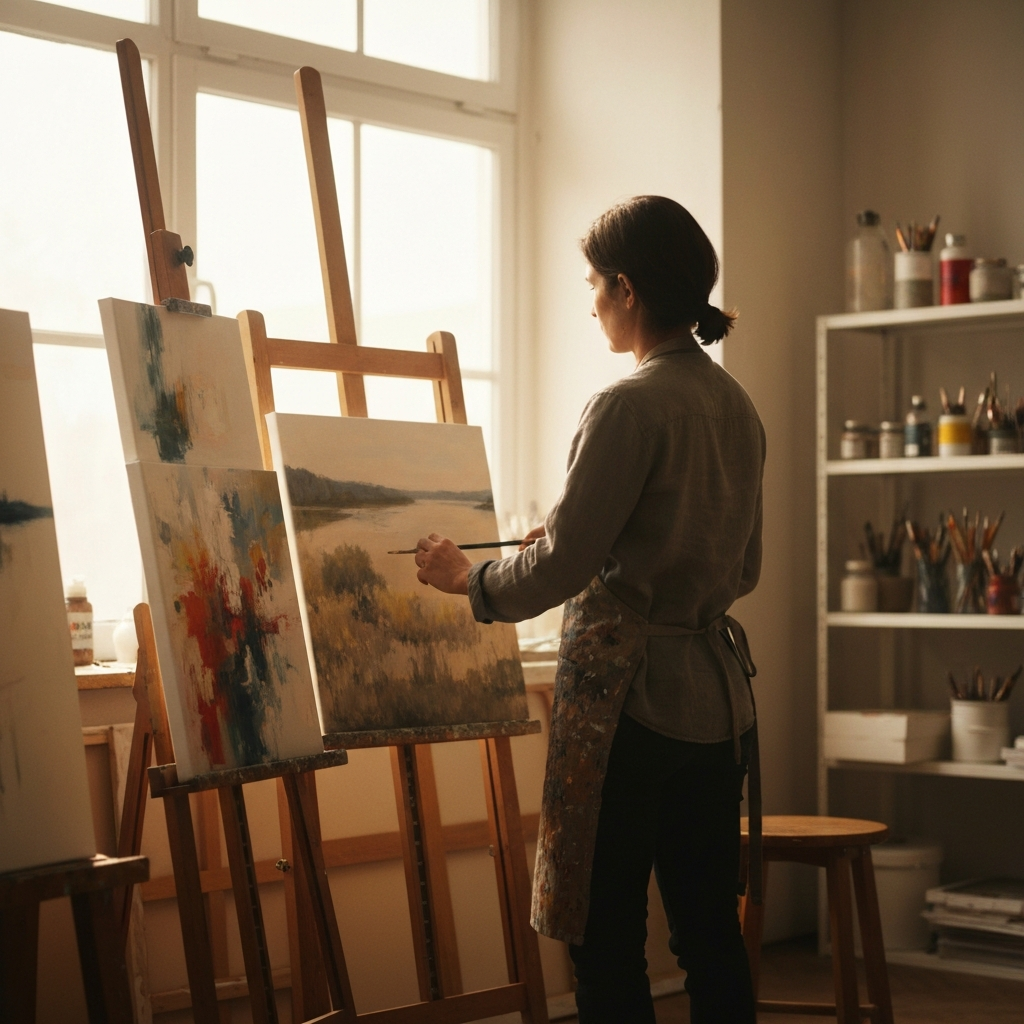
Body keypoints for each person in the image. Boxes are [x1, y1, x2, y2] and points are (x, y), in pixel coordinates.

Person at [414, 195, 765, 1024]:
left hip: (628, 707)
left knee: (603, 937)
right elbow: (741, 564)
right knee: (710, 933)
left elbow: (562, 565)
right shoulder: (735, 408)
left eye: (596, 285)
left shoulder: (628, 405)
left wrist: (469, 579)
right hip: (716, 705)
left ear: (629, 288)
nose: (592, 302)